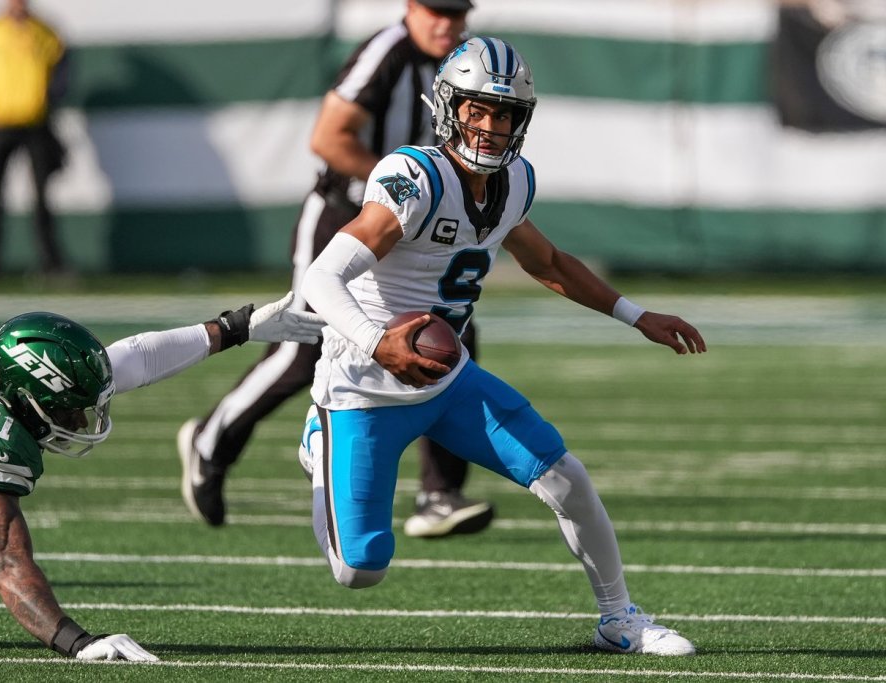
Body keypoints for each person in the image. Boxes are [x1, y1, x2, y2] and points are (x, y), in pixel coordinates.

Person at [298, 37, 707, 655]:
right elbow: (321, 278)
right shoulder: (415, 178)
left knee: (565, 478)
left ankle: (618, 618)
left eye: (506, 113)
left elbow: (550, 263)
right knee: (360, 570)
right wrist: (378, 342)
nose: (492, 127)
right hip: (362, 387)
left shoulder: (513, 181)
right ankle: (320, 439)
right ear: (449, 108)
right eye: (478, 110)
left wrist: (636, 314)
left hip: (448, 378)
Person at [178, 0, 496, 538]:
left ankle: (439, 494)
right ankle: (212, 441)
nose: (447, 24)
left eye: (457, 12)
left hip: (411, 229)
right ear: (411, 7)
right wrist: (405, 186)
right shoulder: (388, 53)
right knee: (303, 344)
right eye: (436, 11)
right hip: (345, 215)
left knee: (449, 332)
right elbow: (328, 138)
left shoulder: (465, 63)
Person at [0, 293, 322, 661]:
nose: (80, 421)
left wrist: (236, 327)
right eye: (69, 409)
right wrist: (78, 643)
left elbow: (132, 359)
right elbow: (5, 562)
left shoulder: (3, 363)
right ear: (27, 400)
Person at [0, 0, 69, 279]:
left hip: (36, 123)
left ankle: (51, 263)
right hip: (0, 123)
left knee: (42, 197)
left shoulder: (45, 32)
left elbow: (62, 70)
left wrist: (48, 100)